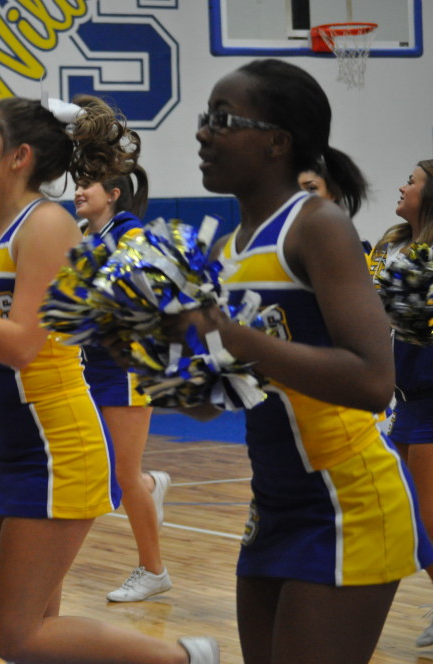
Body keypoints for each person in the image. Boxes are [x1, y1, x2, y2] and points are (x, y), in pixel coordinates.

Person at [0, 97, 218, 663]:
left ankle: (186, 659)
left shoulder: (47, 225)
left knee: (14, 634)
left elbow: (24, 343)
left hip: (58, 447)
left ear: (19, 156)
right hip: (17, 448)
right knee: (33, 630)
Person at [169, 59, 432, 663]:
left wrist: (233, 335)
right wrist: (150, 346)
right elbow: (210, 403)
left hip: (348, 501)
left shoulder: (318, 226)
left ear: (277, 142)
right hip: (274, 505)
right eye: (203, 119)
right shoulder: (224, 249)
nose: (203, 133)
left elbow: (372, 380)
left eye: (222, 119)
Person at [73, 163, 172, 602]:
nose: (77, 191)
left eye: (85, 184)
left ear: (113, 193)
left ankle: (154, 571)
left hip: (125, 365)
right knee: (106, 469)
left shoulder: (130, 234)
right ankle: (152, 487)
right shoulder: (87, 235)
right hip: (93, 365)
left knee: (121, 475)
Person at [368, 159, 433, 647]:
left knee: (424, 522)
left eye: (412, 181)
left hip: (432, 398)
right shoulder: (390, 243)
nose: (402, 185)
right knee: (411, 517)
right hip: (404, 398)